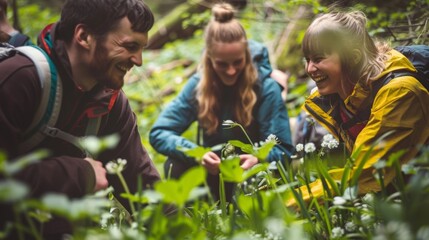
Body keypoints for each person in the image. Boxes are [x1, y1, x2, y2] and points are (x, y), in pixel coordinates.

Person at [0, 0, 161, 238]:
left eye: (141, 49)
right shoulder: (17, 79)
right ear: (84, 36)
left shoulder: (111, 103)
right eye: (130, 46)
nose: (138, 61)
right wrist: (79, 174)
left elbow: (142, 184)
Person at [149, 3, 294, 202]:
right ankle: (194, 220)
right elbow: (160, 132)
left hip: (252, 177)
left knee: (265, 174)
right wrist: (196, 154)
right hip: (213, 175)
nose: (231, 71)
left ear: (247, 56)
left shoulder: (267, 88)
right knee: (175, 164)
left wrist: (259, 158)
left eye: (237, 62)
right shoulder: (198, 86)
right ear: (209, 59)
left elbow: (283, 149)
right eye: (222, 64)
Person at [289, 10, 429, 206]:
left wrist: (281, 204)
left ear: (353, 57)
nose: (309, 69)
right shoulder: (340, 97)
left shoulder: (399, 93)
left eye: (319, 59)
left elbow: (363, 173)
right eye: (307, 59)